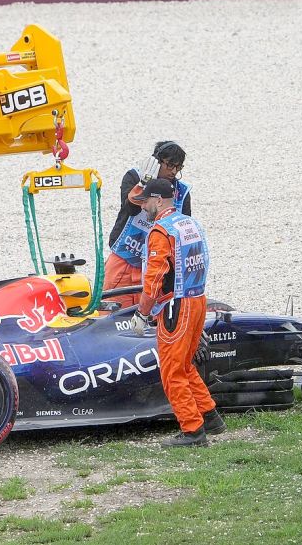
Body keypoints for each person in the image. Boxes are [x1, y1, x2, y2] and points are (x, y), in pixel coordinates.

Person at [128, 178, 224, 447]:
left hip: (176, 307)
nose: (144, 206)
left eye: (146, 201)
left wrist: (142, 313)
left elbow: (154, 278)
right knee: (185, 365)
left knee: (172, 371)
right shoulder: (191, 224)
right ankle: (210, 416)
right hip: (198, 300)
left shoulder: (160, 232)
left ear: (158, 200)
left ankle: (192, 431)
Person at [104, 141, 191, 307]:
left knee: (150, 320)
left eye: (178, 168)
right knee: (110, 312)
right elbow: (130, 209)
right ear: (156, 161)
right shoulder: (134, 177)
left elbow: (182, 233)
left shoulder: (182, 192)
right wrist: (143, 184)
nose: (173, 172)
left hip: (157, 265)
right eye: (170, 165)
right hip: (124, 258)